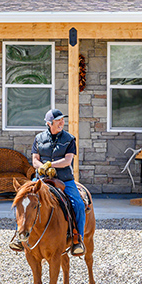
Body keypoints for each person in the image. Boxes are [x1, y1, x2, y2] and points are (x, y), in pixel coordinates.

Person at [10, 109, 86, 256]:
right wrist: (42, 167)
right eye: (58, 121)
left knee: (79, 204)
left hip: (64, 179)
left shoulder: (70, 139)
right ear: (49, 123)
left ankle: (78, 239)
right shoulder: (38, 138)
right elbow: (35, 160)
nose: (62, 123)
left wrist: (50, 165)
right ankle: (19, 236)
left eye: (63, 120)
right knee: (23, 200)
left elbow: (67, 161)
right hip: (41, 179)